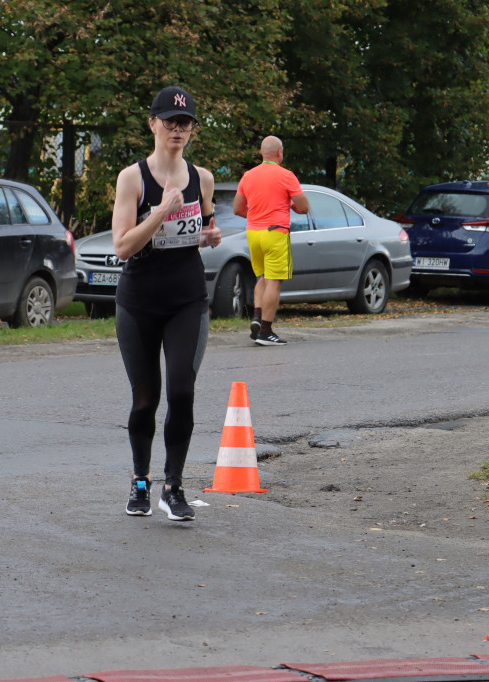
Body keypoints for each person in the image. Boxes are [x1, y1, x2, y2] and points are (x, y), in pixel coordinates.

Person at [111, 86, 221, 521]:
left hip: (187, 299)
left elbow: (206, 229)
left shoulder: (203, 178)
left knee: (183, 392)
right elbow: (122, 247)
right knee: (145, 399)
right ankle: (141, 482)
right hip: (139, 301)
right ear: (153, 124)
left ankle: (173, 486)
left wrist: (210, 237)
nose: (178, 129)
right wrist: (158, 212)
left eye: (186, 123)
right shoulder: (132, 178)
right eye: (170, 122)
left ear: (192, 130)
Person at [233, 136, 309, 346]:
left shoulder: (248, 176)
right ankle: (266, 332)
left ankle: (257, 318)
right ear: (279, 153)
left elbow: (238, 208)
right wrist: (291, 206)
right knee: (274, 281)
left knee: (262, 277)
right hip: (275, 232)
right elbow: (304, 207)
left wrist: (257, 216)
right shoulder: (286, 175)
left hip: (253, 233)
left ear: (261, 153)